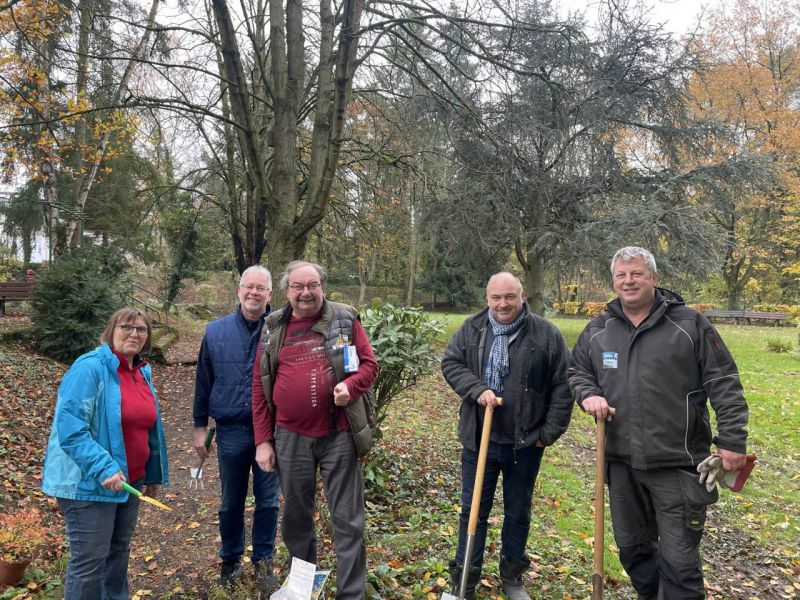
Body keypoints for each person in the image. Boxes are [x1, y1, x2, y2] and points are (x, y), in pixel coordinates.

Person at [569, 246, 749, 600]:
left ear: (654, 277)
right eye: (621, 275)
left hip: (678, 465)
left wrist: (732, 440)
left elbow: (723, 381)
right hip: (621, 463)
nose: (628, 281)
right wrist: (588, 393)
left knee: (679, 563)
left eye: (636, 273)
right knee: (634, 551)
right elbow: (577, 370)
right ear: (613, 281)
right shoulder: (599, 328)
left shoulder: (689, 324)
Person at [441, 272, 573, 600]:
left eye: (509, 297)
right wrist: (478, 389)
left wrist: (549, 433)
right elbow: (452, 363)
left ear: (522, 295)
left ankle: (512, 576)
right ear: (487, 298)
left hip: (525, 443)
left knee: (518, 511)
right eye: (496, 298)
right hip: (479, 439)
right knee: (473, 510)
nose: (503, 304)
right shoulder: (471, 329)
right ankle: (465, 580)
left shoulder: (546, 334)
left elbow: (563, 383)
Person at [252, 260, 379, 600]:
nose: (305, 292)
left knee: (348, 521)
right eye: (298, 286)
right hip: (291, 437)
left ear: (323, 286)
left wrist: (350, 388)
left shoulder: (345, 319)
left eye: (312, 285)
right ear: (287, 290)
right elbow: (259, 387)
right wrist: (263, 440)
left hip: (338, 435)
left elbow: (368, 365)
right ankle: (303, 589)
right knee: (296, 519)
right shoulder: (273, 327)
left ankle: (350, 593)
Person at [42, 308, 169, 599]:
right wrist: (103, 468)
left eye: (141, 329)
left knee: (118, 554)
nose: (134, 334)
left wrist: (152, 474)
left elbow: (146, 429)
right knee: (89, 563)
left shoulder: (141, 372)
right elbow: (70, 429)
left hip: (130, 482)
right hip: (89, 484)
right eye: (126, 327)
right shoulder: (89, 368)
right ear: (111, 331)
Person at [193, 265, 281, 591]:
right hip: (230, 431)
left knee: (268, 501)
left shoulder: (280, 330)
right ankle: (230, 561)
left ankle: (263, 563)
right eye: (249, 286)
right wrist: (199, 427)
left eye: (261, 288)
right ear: (238, 290)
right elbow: (203, 382)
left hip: (270, 433)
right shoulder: (215, 332)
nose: (254, 293)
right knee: (231, 501)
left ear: (270, 294)